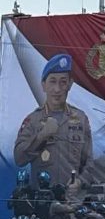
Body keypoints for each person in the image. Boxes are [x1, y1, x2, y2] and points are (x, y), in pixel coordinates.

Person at [14, 53, 93, 187]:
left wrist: (80, 181)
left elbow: (88, 163)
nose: (57, 89)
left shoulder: (81, 119)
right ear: (43, 85)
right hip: (42, 201)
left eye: (63, 82)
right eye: (52, 81)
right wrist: (41, 136)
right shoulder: (32, 120)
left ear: (70, 84)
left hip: (71, 200)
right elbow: (19, 159)